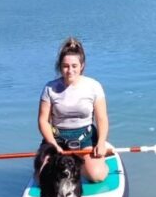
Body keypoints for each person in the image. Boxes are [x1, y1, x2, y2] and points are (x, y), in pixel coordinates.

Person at [38, 37, 109, 182]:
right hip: (57, 138)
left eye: (74, 66)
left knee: (97, 176)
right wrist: (53, 145)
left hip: (85, 138)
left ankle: (96, 158)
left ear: (82, 65)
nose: (70, 70)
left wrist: (101, 142)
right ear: (60, 66)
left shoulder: (94, 86)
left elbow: (101, 119)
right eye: (65, 66)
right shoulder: (49, 88)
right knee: (42, 179)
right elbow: (43, 120)